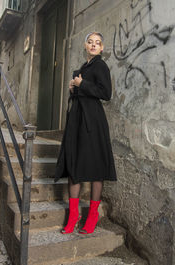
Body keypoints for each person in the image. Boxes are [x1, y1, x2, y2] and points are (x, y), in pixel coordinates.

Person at [54, 32, 117, 234]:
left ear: (102, 48)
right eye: (90, 42)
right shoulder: (82, 68)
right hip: (77, 120)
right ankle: (73, 216)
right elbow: (81, 92)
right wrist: (73, 88)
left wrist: (82, 84)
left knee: (96, 168)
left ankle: (92, 215)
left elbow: (106, 93)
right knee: (74, 166)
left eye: (97, 43)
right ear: (85, 45)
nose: (93, 45)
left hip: (93, 121)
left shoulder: (100, 66)